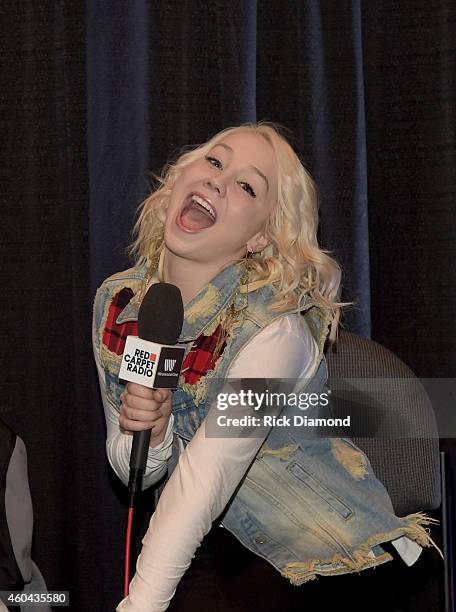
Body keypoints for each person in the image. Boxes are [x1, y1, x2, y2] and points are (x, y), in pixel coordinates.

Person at [92, 122, 442, 611]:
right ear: (180, 177)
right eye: (215, 161)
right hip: (211, 541)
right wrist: (150, 434)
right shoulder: (124, 305)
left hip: (321, 562)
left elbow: (204, 480)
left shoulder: (275, 333)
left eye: (246, 185)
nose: (218, 180)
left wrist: (140, 606)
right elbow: (137, 472)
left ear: (261, 237)